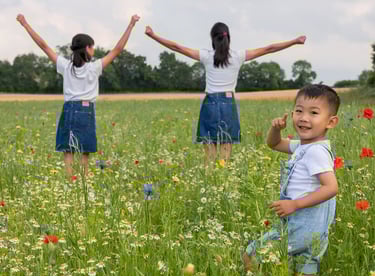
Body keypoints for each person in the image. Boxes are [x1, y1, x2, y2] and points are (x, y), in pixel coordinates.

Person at [243, 84, 340, 276]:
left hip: (302, 226)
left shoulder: (316, 151)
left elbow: (331, 187)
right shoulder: (304, 146)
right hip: (314, 232)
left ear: (331, 122)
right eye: (299, 111)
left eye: (314, 113)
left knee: (251, 254)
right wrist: (275, 129)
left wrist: (295, 204)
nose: (304, 118)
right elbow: (274, 144)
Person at [145, 22, 306, 164]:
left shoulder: (206, 56)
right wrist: (294, 41)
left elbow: (177, 47)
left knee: (209, 154)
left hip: (210, 104)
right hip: (229, 104)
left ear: (213, 39)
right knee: (226, 151)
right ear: (229, 37)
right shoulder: (238, 56)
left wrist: (153, 36)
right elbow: (269, 49)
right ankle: (222, 180)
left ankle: (209, 180)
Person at [16, 13, 140, 177]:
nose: (94, 50)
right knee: (85, 150)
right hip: (86, 109)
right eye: (92, 47)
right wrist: (131, 25)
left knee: (68, 149)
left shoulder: (65, 66)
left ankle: (70, 180)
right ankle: (83, 180)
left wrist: (25, 24)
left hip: (69, 108)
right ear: (87, 48)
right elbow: (118, 49)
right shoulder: (94, 67)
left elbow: (43, 46)